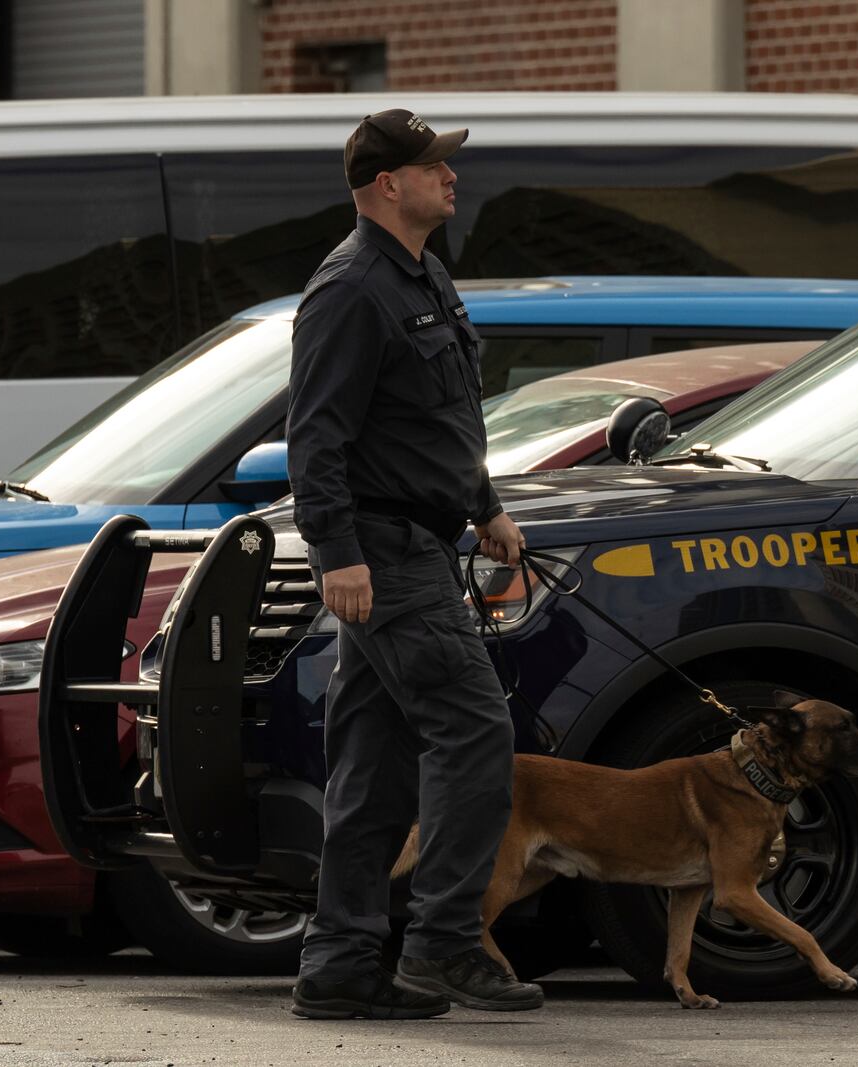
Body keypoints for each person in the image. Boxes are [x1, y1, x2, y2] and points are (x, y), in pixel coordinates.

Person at [285, 109, 544, 1021]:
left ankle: (343, 960)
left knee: (375, 762)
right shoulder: (351, 288)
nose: (452, 177)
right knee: (477, 736)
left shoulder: (422, 271)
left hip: (422, 543)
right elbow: (315, 437)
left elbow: (433, 419)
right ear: (388, 184)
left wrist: (485, 506)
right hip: (384, 558)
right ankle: (442, 942)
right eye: (436, 165)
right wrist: (337, 554)